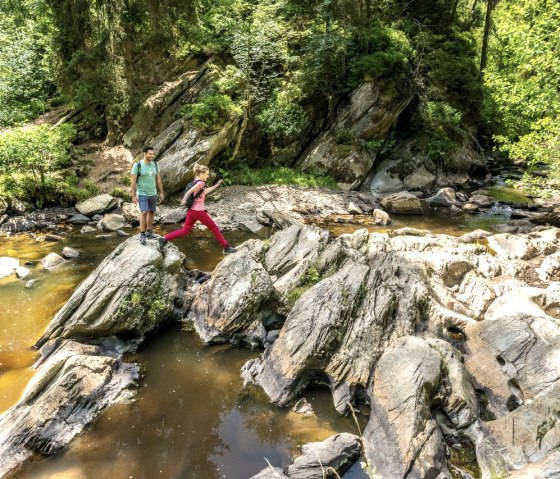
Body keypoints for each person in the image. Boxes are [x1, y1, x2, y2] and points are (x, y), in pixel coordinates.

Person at [158, 164, 237, 253]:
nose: (208, 176)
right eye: (207, 174)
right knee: (214, 228)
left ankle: (164, 238)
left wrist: (216, 185)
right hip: (199, 212)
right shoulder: (201, 183)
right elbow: (189, 191)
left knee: (185, 230)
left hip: (192, 211)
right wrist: (184, 199)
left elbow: (204, 192)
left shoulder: (195, 181)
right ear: (201, 174)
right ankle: (226, 247)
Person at [131, 145, 164, 245]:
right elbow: (133, 182)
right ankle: (142, 234)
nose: (152, 155)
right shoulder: (137, 165)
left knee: (151, 212)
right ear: (144, 153)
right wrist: (133, 196)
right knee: (144, 212)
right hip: (142, 193)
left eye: (153, 154)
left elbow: (158, 179)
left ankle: (149, 232)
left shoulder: (154, 164)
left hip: (153, 193)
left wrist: (161, 192)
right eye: (150, 154)